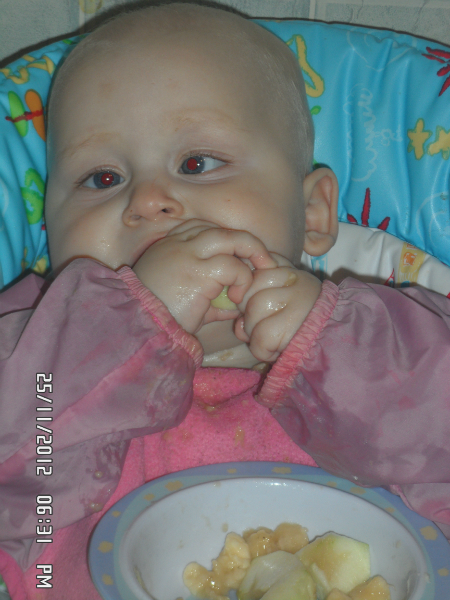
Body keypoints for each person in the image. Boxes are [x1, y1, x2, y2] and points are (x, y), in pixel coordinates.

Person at [0, 3, 448, 598]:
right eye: (102, 179)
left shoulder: (385, 332)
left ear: (313, 212)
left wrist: (333, 349)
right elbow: (21, 474)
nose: (149, 201)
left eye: (197, 163)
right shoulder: (32, 344)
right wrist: (122, 327)